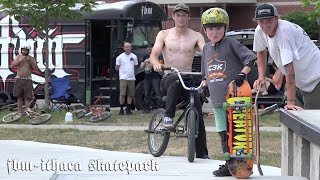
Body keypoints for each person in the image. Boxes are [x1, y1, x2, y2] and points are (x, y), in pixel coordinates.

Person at [200, 8, 256, 176]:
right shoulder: (205, 49)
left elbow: (250, 58)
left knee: (237, 131)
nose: (214, 32)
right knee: (222, 130)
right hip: (217, 100)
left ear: (225, 28)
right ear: (204, 30)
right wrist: (204, 86)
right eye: (210, 28)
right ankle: (229, 164)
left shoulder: (231, 43)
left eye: (218, 28)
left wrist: (242, 74)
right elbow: (206, 72)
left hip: (234, 98)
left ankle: (242, 162)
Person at [151, 3, 209, 159]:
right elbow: (154, 54)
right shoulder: (164, 34)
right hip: (169, 77)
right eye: (178, 15)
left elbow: (207, 51)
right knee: (176, 79)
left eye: (184, 15)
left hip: (188, 78)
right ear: (173, 17)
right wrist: (156, 63)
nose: (181, 18)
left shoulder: (196, 36)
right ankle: (168, 116)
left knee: (197, 112)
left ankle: (202, 153)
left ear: (188, 17)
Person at [253, 3, 320, 110]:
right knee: (296, 119)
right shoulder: (259, 30)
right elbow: (261, 51)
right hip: (299, 82)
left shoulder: (284, 33)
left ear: (277, 19)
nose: (265, 25)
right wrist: (261, 77)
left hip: (315, 79)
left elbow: (290, 72)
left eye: (269, 21)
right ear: (257, 21)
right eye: (261, 21)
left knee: (313, 121)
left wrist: (290, 102)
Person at [11, 43, 39, 114]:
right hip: (19, 79)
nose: (24, 52)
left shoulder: (31, 58)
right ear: (21, 50)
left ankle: (27, 111)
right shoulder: (18, 57)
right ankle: (19, 112)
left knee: (27, 97)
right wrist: (20, 61)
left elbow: (36, 68)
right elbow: (12, 65)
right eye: (23, 50)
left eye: (26, 50)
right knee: (19, 97)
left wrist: (29, 60)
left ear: (28, 51)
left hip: (28, 79)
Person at [115, 42, 138, 115]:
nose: (128, 48)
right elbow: (117, 67)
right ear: (124, 48)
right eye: (126, 47)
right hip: (123, 78)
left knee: (130, 94)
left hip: (131, 78)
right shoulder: (120, 57)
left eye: (129, 47)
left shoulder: (134, 56)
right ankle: (121, 109)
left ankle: (128, 109)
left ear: (131, 48)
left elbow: (135, 66)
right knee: (122, 94)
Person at [140, 44, 162, 113]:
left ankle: (160, 108)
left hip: (155, 77)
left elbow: (161, 65)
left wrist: (151, 62)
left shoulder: (158, 56)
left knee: (158, 92)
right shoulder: (145, 56)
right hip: (147, 77)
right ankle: (147, 108)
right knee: (147, 93)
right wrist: (144, 62)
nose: (149, 49)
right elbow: (141, 66)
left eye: (150, 47)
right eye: (148, 48)